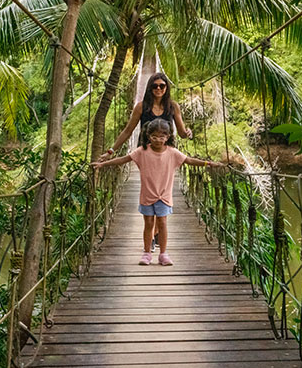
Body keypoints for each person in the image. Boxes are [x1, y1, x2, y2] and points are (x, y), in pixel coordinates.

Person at [92, 118, 222, 266]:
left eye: (162, 137)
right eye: (154, 136)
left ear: (168, 137)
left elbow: (190, 161)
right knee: (148, 224)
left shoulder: (173, 153)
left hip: (164, 196)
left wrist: (208, 163)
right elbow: (123, 159)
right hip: (147, 195)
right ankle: (147, 253)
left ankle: (163, 254)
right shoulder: (141, 152)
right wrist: (102, 164)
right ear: (148, 136)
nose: (158, 140)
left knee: (162, 223)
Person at [98, 72, 192, 162]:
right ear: (150, 88)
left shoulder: (173, 106)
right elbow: (127, 131)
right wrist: (110, 152)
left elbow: (182, 134)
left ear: (166, 87)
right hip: (146, 151)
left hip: (166, 152)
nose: (158, 88)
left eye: (162, 86)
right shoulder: (141, 107)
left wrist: (187, 133)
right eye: (154, 86)